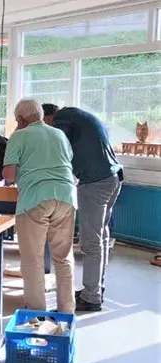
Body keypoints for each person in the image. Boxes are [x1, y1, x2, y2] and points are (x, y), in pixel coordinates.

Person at [42, 104, 122, 312]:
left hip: (95, 182)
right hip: (113, 177)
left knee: (91, 243)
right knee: (101, 239)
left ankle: (91, 298)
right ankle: (94, 289)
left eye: (44, 124)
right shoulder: (78, 116)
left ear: (49, 118)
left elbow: (61, 152)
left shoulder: (62, 121)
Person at [3, 99, 76, 313]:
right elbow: (67, 160)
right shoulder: (58, 134)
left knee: (32, 260)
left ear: (20, 119)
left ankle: (37, 313)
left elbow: (9, 175)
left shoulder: (19, 135)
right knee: (63, 257)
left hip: (35, 199)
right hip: (66, 196)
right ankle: (67, 311)